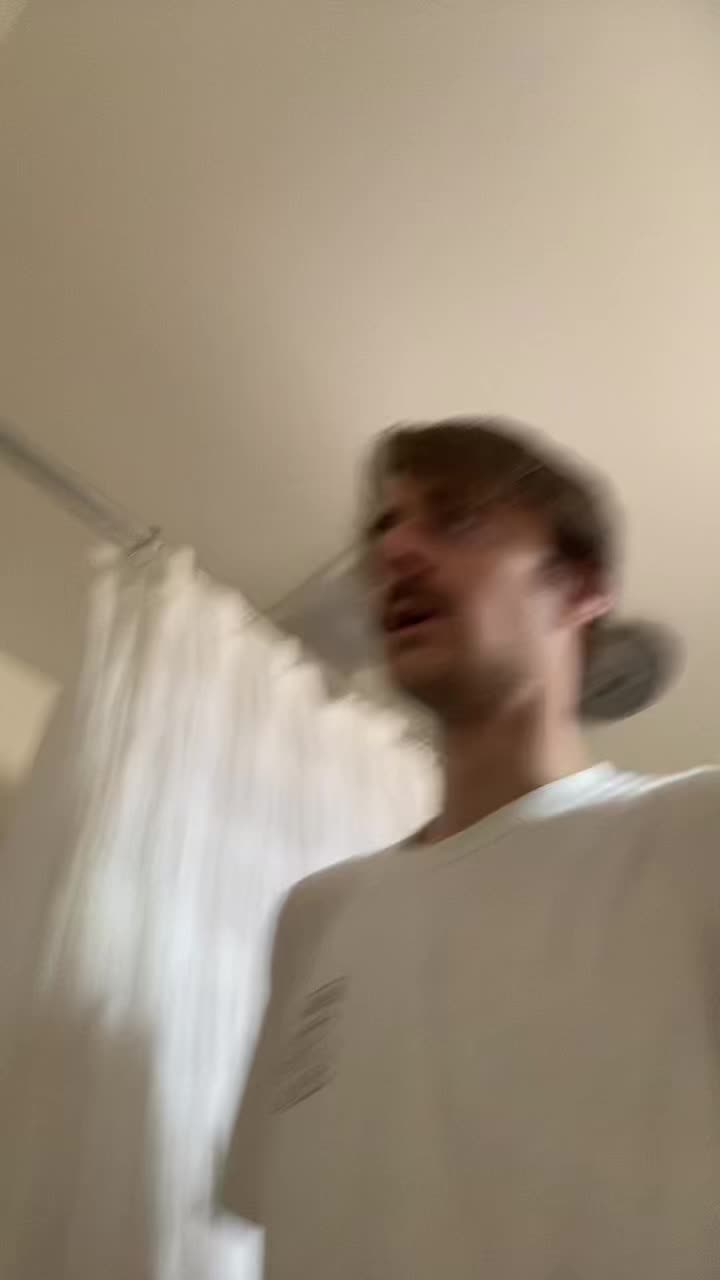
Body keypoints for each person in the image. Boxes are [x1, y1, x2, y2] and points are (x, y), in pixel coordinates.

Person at [218, 417, 719, 1279]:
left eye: (457, 519)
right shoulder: (315, 915)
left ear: (580, 587)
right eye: (386, 528)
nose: (393, 552)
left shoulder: (694, 834)